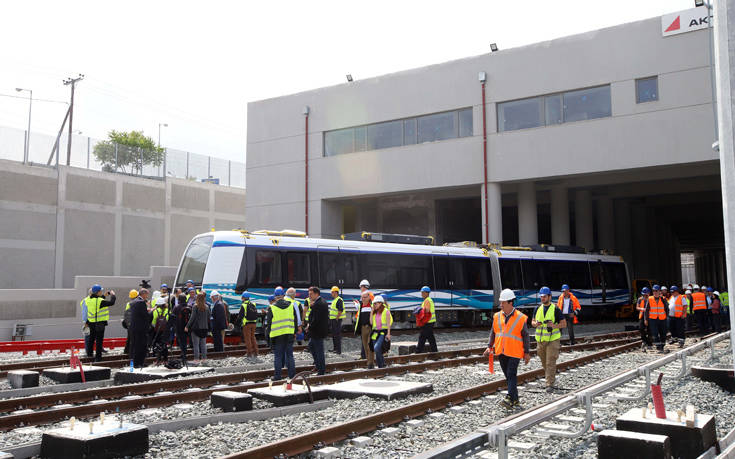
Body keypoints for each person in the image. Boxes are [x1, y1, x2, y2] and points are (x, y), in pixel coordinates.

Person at [483, 289, 531, 408]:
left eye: (503, 303)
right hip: (501, 351)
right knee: (508, 376)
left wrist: (527, 352)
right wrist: (489, 346)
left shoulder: (520, 318)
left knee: (511, 373)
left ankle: (509, 397)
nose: (501, 305)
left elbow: (526, 336)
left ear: (510, 303)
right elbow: (493, 332)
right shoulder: (497, 316)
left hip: (515, 352)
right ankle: (515, 400)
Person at [531, 286, 566, 392]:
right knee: (544, 361)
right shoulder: (537, 308)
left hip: (553, 340)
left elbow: (563, 324)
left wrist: (553, 325)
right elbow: (532, 322)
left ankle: (549, 384)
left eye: (544, 296)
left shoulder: (555, 309)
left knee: (550, 361)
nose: (542, 298)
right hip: (540, 340)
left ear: (549, 297)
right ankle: (550, 378)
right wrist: (535, 324)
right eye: (541, 297)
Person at [268, 287, 302, 380]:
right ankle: (292, 375)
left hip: (277, 335)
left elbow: (269, 325)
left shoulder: (272, 308)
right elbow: (294, 320)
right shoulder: (291, 305)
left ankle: (277, 376)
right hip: (289, 334)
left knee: (278, 356)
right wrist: (294, 332)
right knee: (290, 355)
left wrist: (269, 338)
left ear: (275, 296)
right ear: (283, 295)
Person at [83, 284, 116, 362]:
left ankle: (89, 354)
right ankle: (98, 358)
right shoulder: (99, 301)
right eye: (101, 291)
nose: (102, 292)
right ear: (98, 292)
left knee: (91, 339)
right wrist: (113, 295)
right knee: (99, 341)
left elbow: (97, 302)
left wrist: (104, 296)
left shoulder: (89, 300)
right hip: (99, 323)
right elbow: (111, 303)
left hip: (91, 322)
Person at [306, 286, 329, 375]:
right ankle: (318, 365)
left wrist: (309, 326)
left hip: (317, 331)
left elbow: (316, 319)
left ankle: (321, 370)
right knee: (311, 346)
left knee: (319, 351)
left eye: (311, 294)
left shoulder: (318, 304)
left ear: (316, 294)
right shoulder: (320, 302)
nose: (309, 296)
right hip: (317, 331)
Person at [185, 292, 211, 363]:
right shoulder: (207, 307)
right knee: (203, 344)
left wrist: (187, 326)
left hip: (196, 328)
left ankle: (196, 359)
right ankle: (204, 359)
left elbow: (192, 318)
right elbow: (209, 317)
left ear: (197, 298)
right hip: (204, 328)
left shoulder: (195, 306)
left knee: (196, 345)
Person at [129, 289, 150, 368]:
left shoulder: (134, 301)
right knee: (141, 345)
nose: (147, 296)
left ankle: (136, 362)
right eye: (147, 294)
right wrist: (151, 311)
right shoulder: (141, 302)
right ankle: (139, 363)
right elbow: (145, 316)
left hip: (134, 327)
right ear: (143, 294)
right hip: (141, 328)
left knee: (135, 345)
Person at [370, 295, 393, 369]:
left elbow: (389, 324)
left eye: (375, 304)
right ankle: (381, 366)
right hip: (375, 333)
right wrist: (371, 312)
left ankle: (381, 365)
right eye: (374, 304)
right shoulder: (374, 312)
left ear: (380, 303)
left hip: (383, 333)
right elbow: (371, 323)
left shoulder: (386, 311)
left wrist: (388, 334)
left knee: (377, 348)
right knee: (377, 350)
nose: (374, 305)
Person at [354, 291, 375, 368]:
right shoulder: (361, 306)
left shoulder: (372, 305)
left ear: (369, 297)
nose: (363, 299)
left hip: (371, 328)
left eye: (365, 297)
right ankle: (368, 361)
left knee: (370, 346)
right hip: (363, 328)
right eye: (362, 297)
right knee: (365, 346)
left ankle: (370, 363)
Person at [645, 285, 668, 353]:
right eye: (653, 291)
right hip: (653, 319)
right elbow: (647, 310)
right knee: (654, 333)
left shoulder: (663, 299)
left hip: (662, 319)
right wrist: (646, 319)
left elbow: (667, 309)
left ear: (659, 291)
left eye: (656, 291)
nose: (655, 292)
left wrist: (666, 317)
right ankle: (658, 346)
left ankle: (662, 344)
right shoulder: (650, 299)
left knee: (663, 333)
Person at [416, 286, 438, 354]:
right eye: (421, 292)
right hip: (430, 322)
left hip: (428, 322)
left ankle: (418, 351)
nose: (421, 294)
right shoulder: (428, 300)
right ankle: (435, 350)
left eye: (422, 292)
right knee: (430, 337)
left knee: (422, 336)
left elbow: (427, 310)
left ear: (426, 293)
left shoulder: (427, 300)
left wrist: (419, 310)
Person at [151, 297, 171, 364]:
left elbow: (153, 322)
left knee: (158, 345)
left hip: (158, 331)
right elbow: (169, 320)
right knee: (164, 345)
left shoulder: (155, 311)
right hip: (165, 330)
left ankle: (158, 360)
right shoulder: (167, 310)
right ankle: (165, 360)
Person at [238, 292, 259, 359]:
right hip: (254, 323)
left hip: (247, 324)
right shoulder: (253, 304)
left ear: (243, 298)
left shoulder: (243, 305)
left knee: (247, 339)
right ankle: (256, 352)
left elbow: (240, 316)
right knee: (253, 337)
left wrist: (237, 323)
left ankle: (249, 353)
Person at [172, 291, 191, 361]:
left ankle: (183, 354)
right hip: (187, 326)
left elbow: (173, 317)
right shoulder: (189, 306)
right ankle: (184, 354)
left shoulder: (176, 307)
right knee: (185, 341)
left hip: (179, 327)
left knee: (181, 341)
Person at [329, 286, 345, 354]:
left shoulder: (339, 300)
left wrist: (336, 318)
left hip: (336, 320)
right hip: (334, 320)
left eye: (332, 292)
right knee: (334, 335)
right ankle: (335, 349)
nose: (331, 294)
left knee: (337, 335)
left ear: (335, 292)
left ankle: (338, 350)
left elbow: (340, 310)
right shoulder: (335, 300)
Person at [122, 289, 138, 356]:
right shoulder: (137, 303)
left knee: (129, 338)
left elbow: (126, 314)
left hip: (129, 323)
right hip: (134, 323)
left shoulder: (128, 304)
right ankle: (131, 352)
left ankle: (126, 351)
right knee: (133, 339)